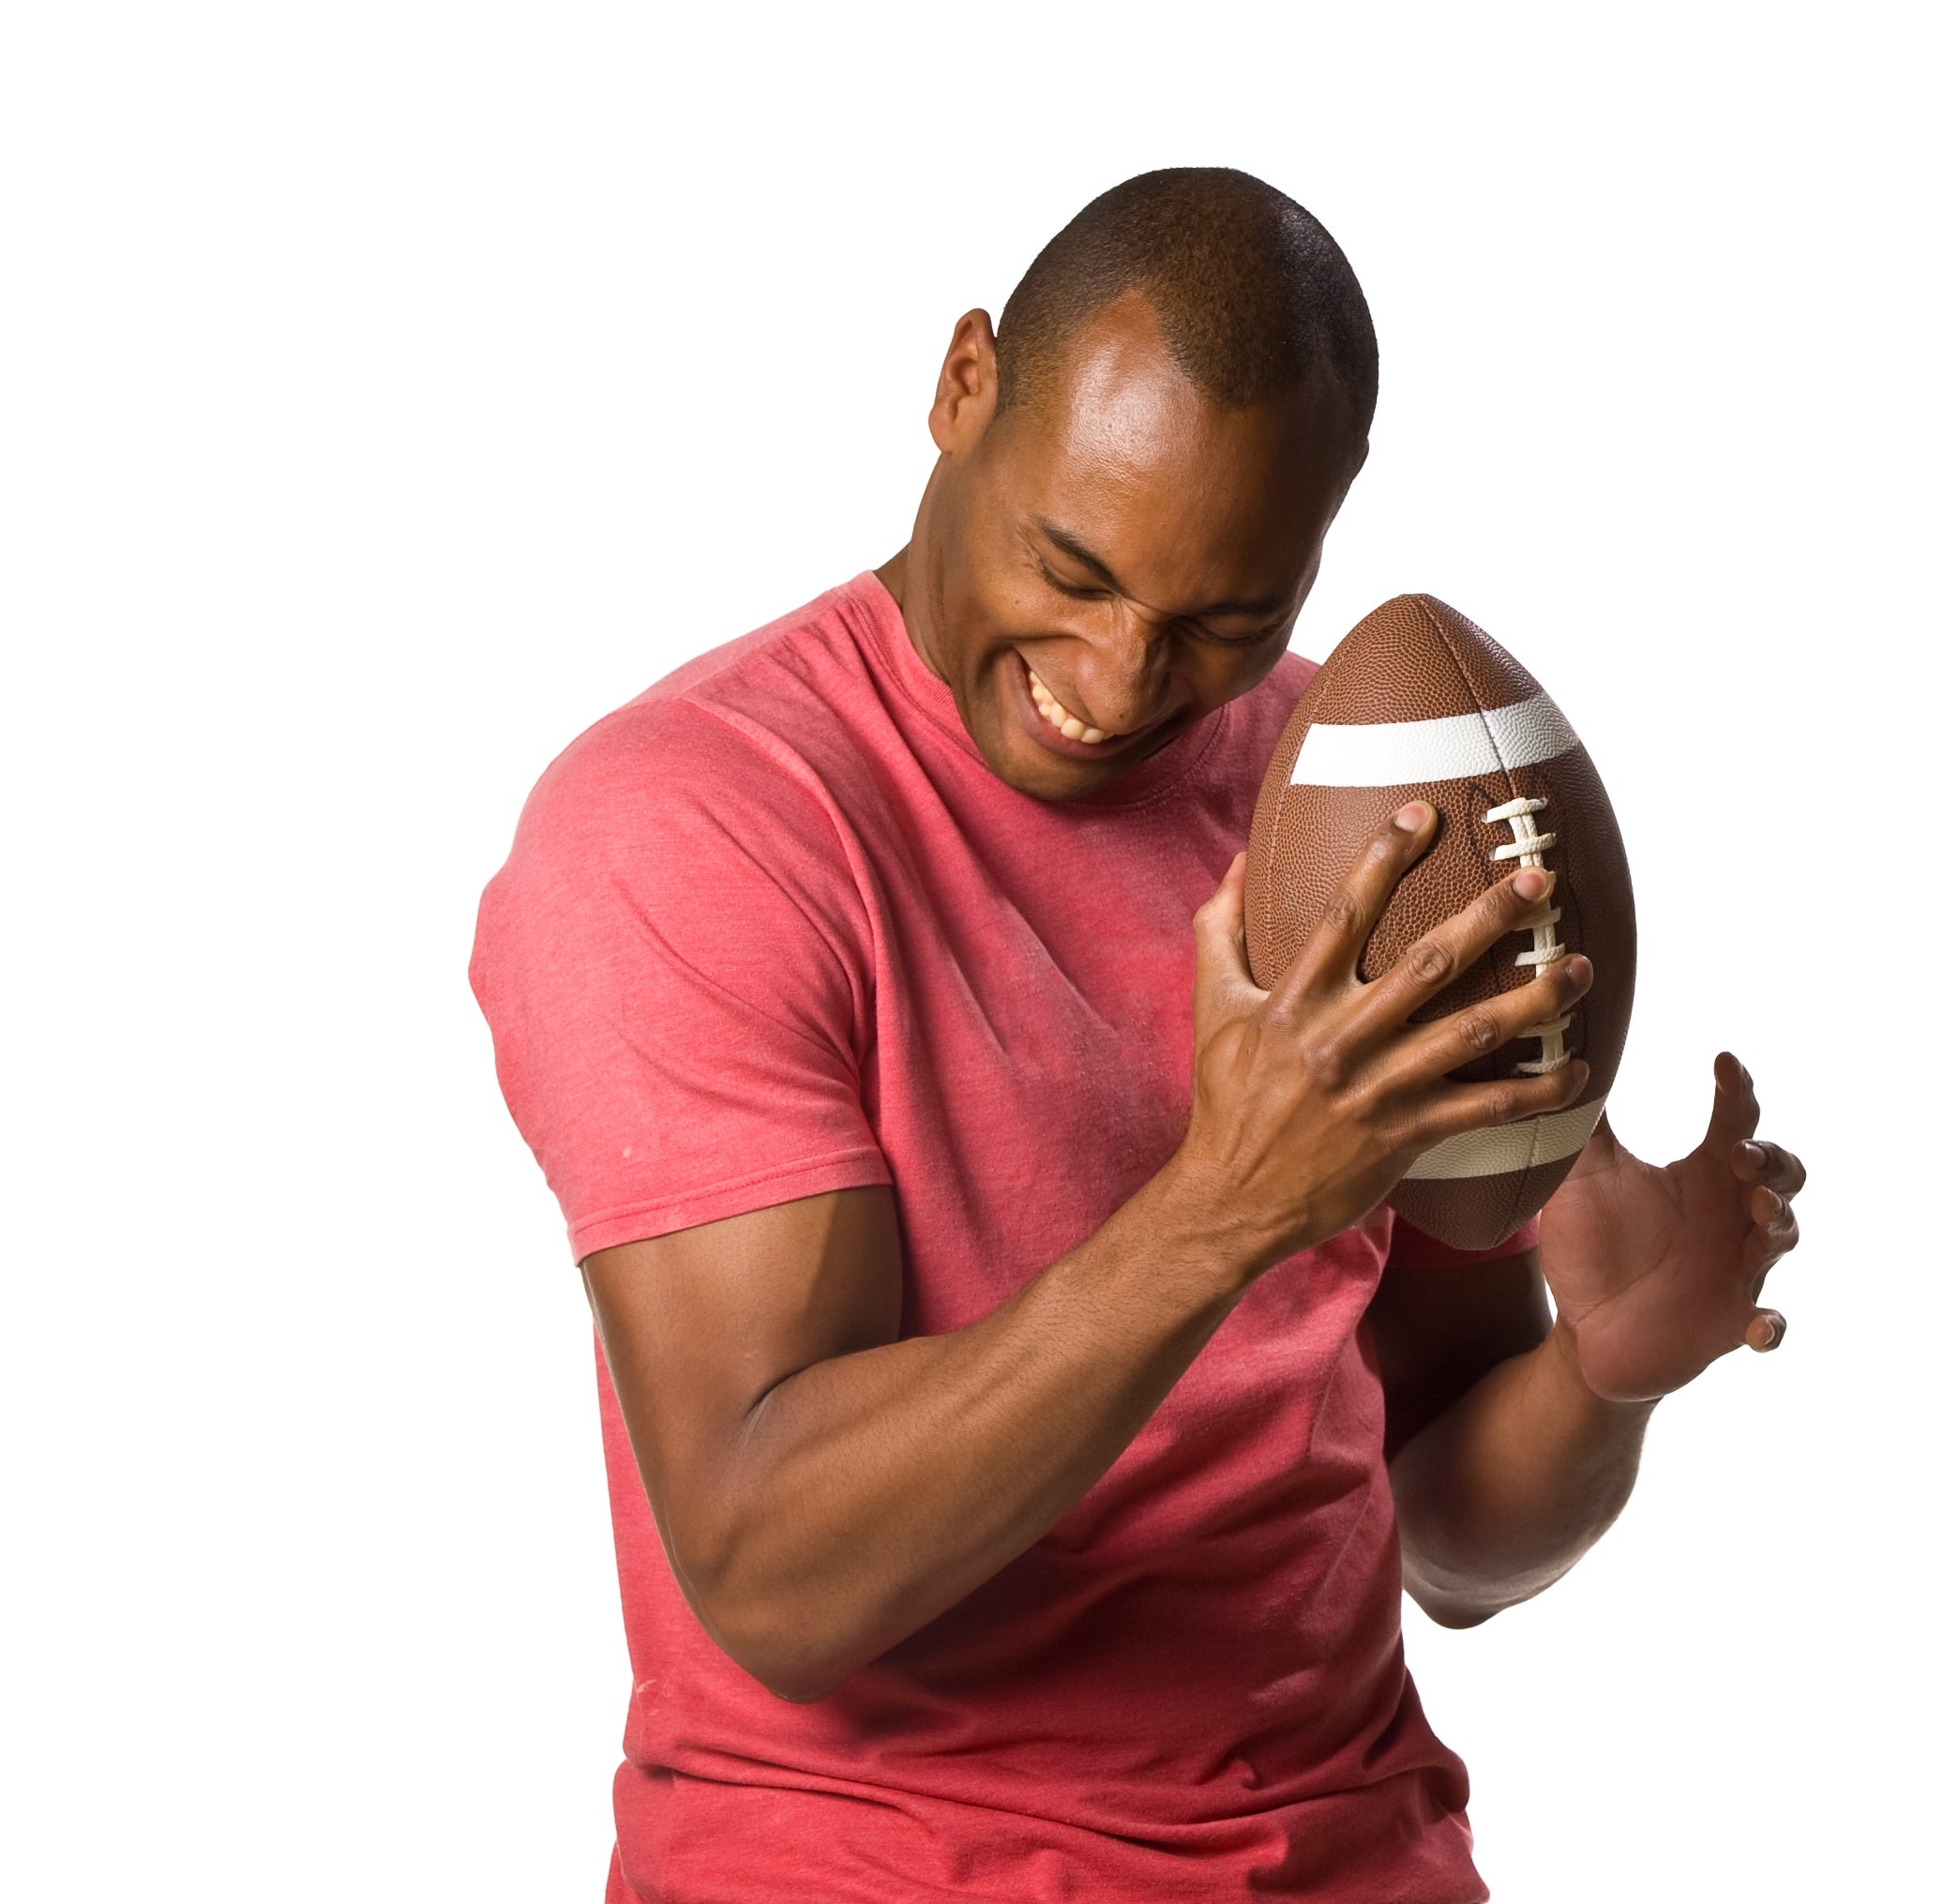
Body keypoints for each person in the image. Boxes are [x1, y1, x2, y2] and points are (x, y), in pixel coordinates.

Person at [471, 167, 1806, 1904]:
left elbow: (1455, 1539)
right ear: (963, 386)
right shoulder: (692, 825)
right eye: (1072, 568)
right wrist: (1230, 1202)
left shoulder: (1350, 811)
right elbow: (775, 1575)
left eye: (1222, 623)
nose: (1113, 683)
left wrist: (1606, 1374)